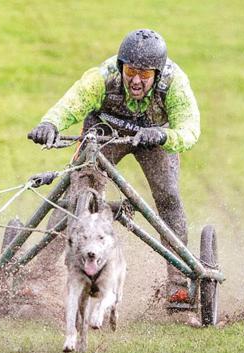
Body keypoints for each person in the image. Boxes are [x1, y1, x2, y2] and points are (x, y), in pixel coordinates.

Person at [28, 29, 201, 309]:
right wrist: (50, 124)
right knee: (76, 197)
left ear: (157, 74)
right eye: (131, 71)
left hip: (155, 137)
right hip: (104, 132)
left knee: (168, 196)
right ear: (121, 66)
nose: (135, 80)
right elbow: (71, 103)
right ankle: (38, 278)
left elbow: (190, 130)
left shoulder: (175, 84)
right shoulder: (102, 77)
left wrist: (164, 136)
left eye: (145, 75)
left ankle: (179, 285)